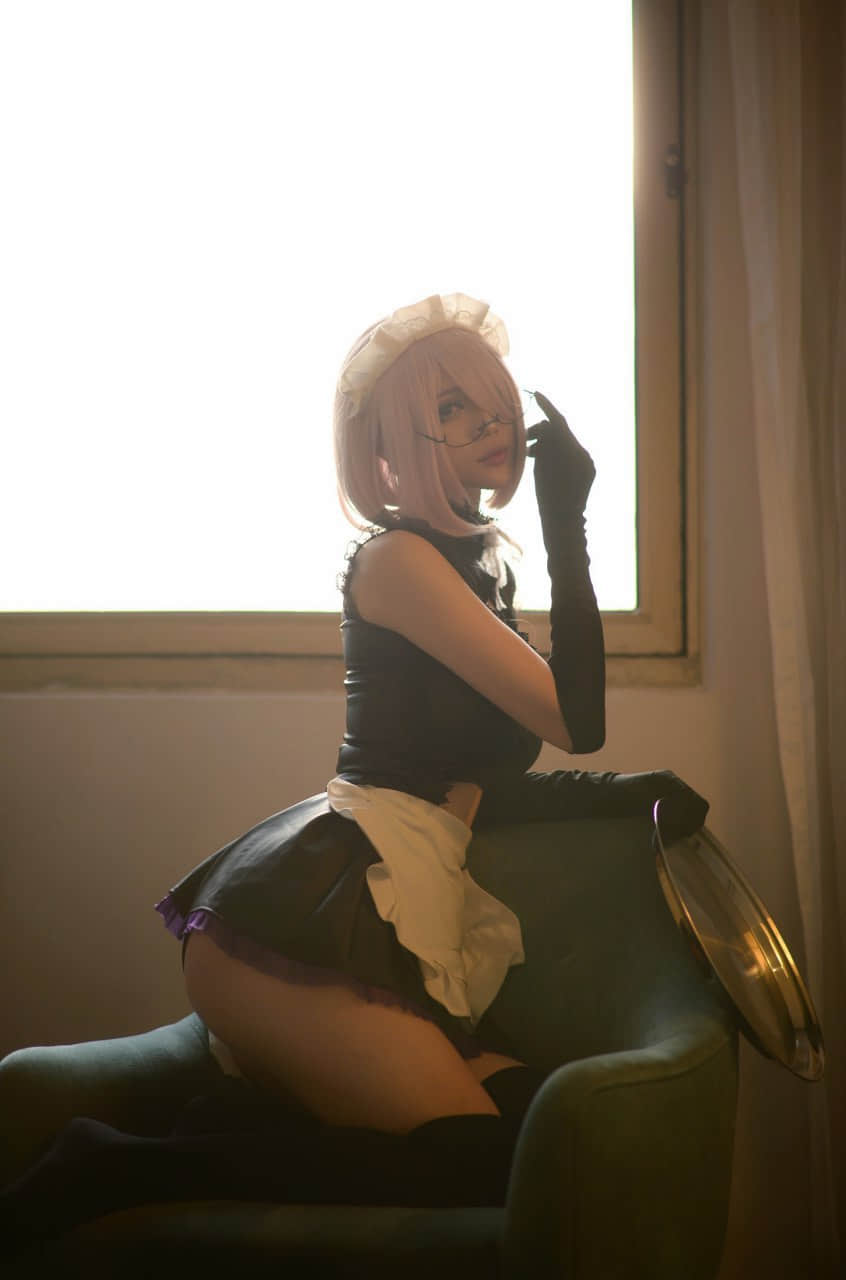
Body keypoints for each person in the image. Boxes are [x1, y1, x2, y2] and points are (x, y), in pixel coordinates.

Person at [1, 293, 708, 1246]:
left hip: (394, 892)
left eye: (491, 399)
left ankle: (228, 1124)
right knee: (477, 1157)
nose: (489, 422)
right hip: (305, 911)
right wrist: (568, 522)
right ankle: (115, 1165)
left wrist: (628, 796)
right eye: (450, 408)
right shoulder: (398, 562)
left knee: (546, 1130)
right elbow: (575, 723)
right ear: (391, 445)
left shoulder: (473, 568)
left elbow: (481, 783)